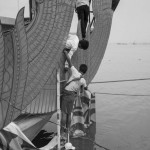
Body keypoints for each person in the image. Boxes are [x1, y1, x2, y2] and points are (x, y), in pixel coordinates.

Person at [61, 49, 88, 135]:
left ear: (79, 68)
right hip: (73, 96)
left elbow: (69, 61)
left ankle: (62, 131)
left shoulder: (75, 72)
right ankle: (68, 130)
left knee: (64, 114)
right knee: (69, 114)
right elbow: (84, 90)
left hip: (66, 94)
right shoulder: (83, 81)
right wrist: (81, 88)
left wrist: (65, 53)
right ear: (85, 72)